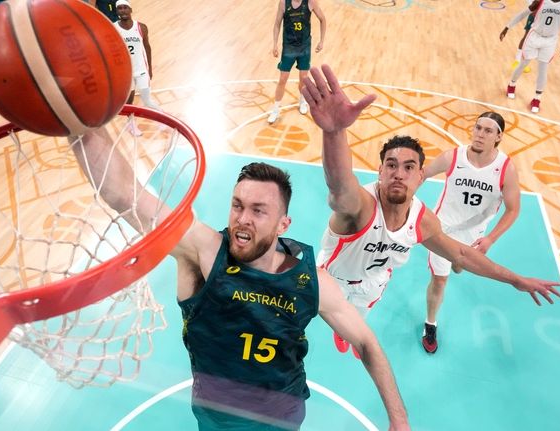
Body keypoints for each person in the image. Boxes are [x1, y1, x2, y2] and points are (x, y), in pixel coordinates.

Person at [70, 130, 410, 430]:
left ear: (283, 224)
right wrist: (78, 123)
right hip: (216, 417)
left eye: (259, 210)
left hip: (283, 417)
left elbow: (367, 343)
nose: (243, 219)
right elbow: (121, 193)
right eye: (237, 206)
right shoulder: (202, 252)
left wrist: (399, 420)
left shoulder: (311, 282)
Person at [301, 65, 560, 358]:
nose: (399, 173)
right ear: (380, 171)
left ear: (419, 175)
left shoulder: (423, 221)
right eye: (391, 165)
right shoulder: (360, 205)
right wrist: (334, 132)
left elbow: (462, 254)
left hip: (374, 281)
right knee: (298, 327)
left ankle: (348, 330)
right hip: (331, 280)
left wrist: (517, 279)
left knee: (357, 324)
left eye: (409, 167)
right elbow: (339, 184)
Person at [420, 111, 521, 354]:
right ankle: (430, 324)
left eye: (488, 131)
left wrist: (490, 239)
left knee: (459, 263)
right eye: (477, 128)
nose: (480, 134)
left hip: (474, 235)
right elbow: (422, 174)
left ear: (498, 137)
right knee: (440, 279)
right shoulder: (453, 157)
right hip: (442, 229)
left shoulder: (505, 169)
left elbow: (512, 210)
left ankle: (458, 261)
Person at [500, 0, 560, 113]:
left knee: (543, 69)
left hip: (550, 40)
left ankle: (537, 99)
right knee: (523, 64)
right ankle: (511, 85)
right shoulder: (541, 1)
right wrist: (507, 27)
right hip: (534, 37)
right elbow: (523, 14)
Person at [267, 0, 326, 124]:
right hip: (289, 47)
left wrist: (321, 41)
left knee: (303, 78)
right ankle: (276, 109)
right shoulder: (283, 3)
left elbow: (323, 19)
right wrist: (274, 44)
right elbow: (277, 23)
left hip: (304, 47)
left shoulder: (311, 2)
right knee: (282, 79)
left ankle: (302, 101)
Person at [113, 0, 160, 136]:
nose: (122, 11)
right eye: (120, 8)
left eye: (125, 8)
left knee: (147, 100)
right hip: (126, 73)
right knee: (129, 102)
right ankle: (131, 125)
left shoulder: (141, 27)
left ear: (130, 9)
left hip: (141, 70)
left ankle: (162, 120)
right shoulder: (113, 28)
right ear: (117, 11)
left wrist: (150, 68)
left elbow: (147, 47)